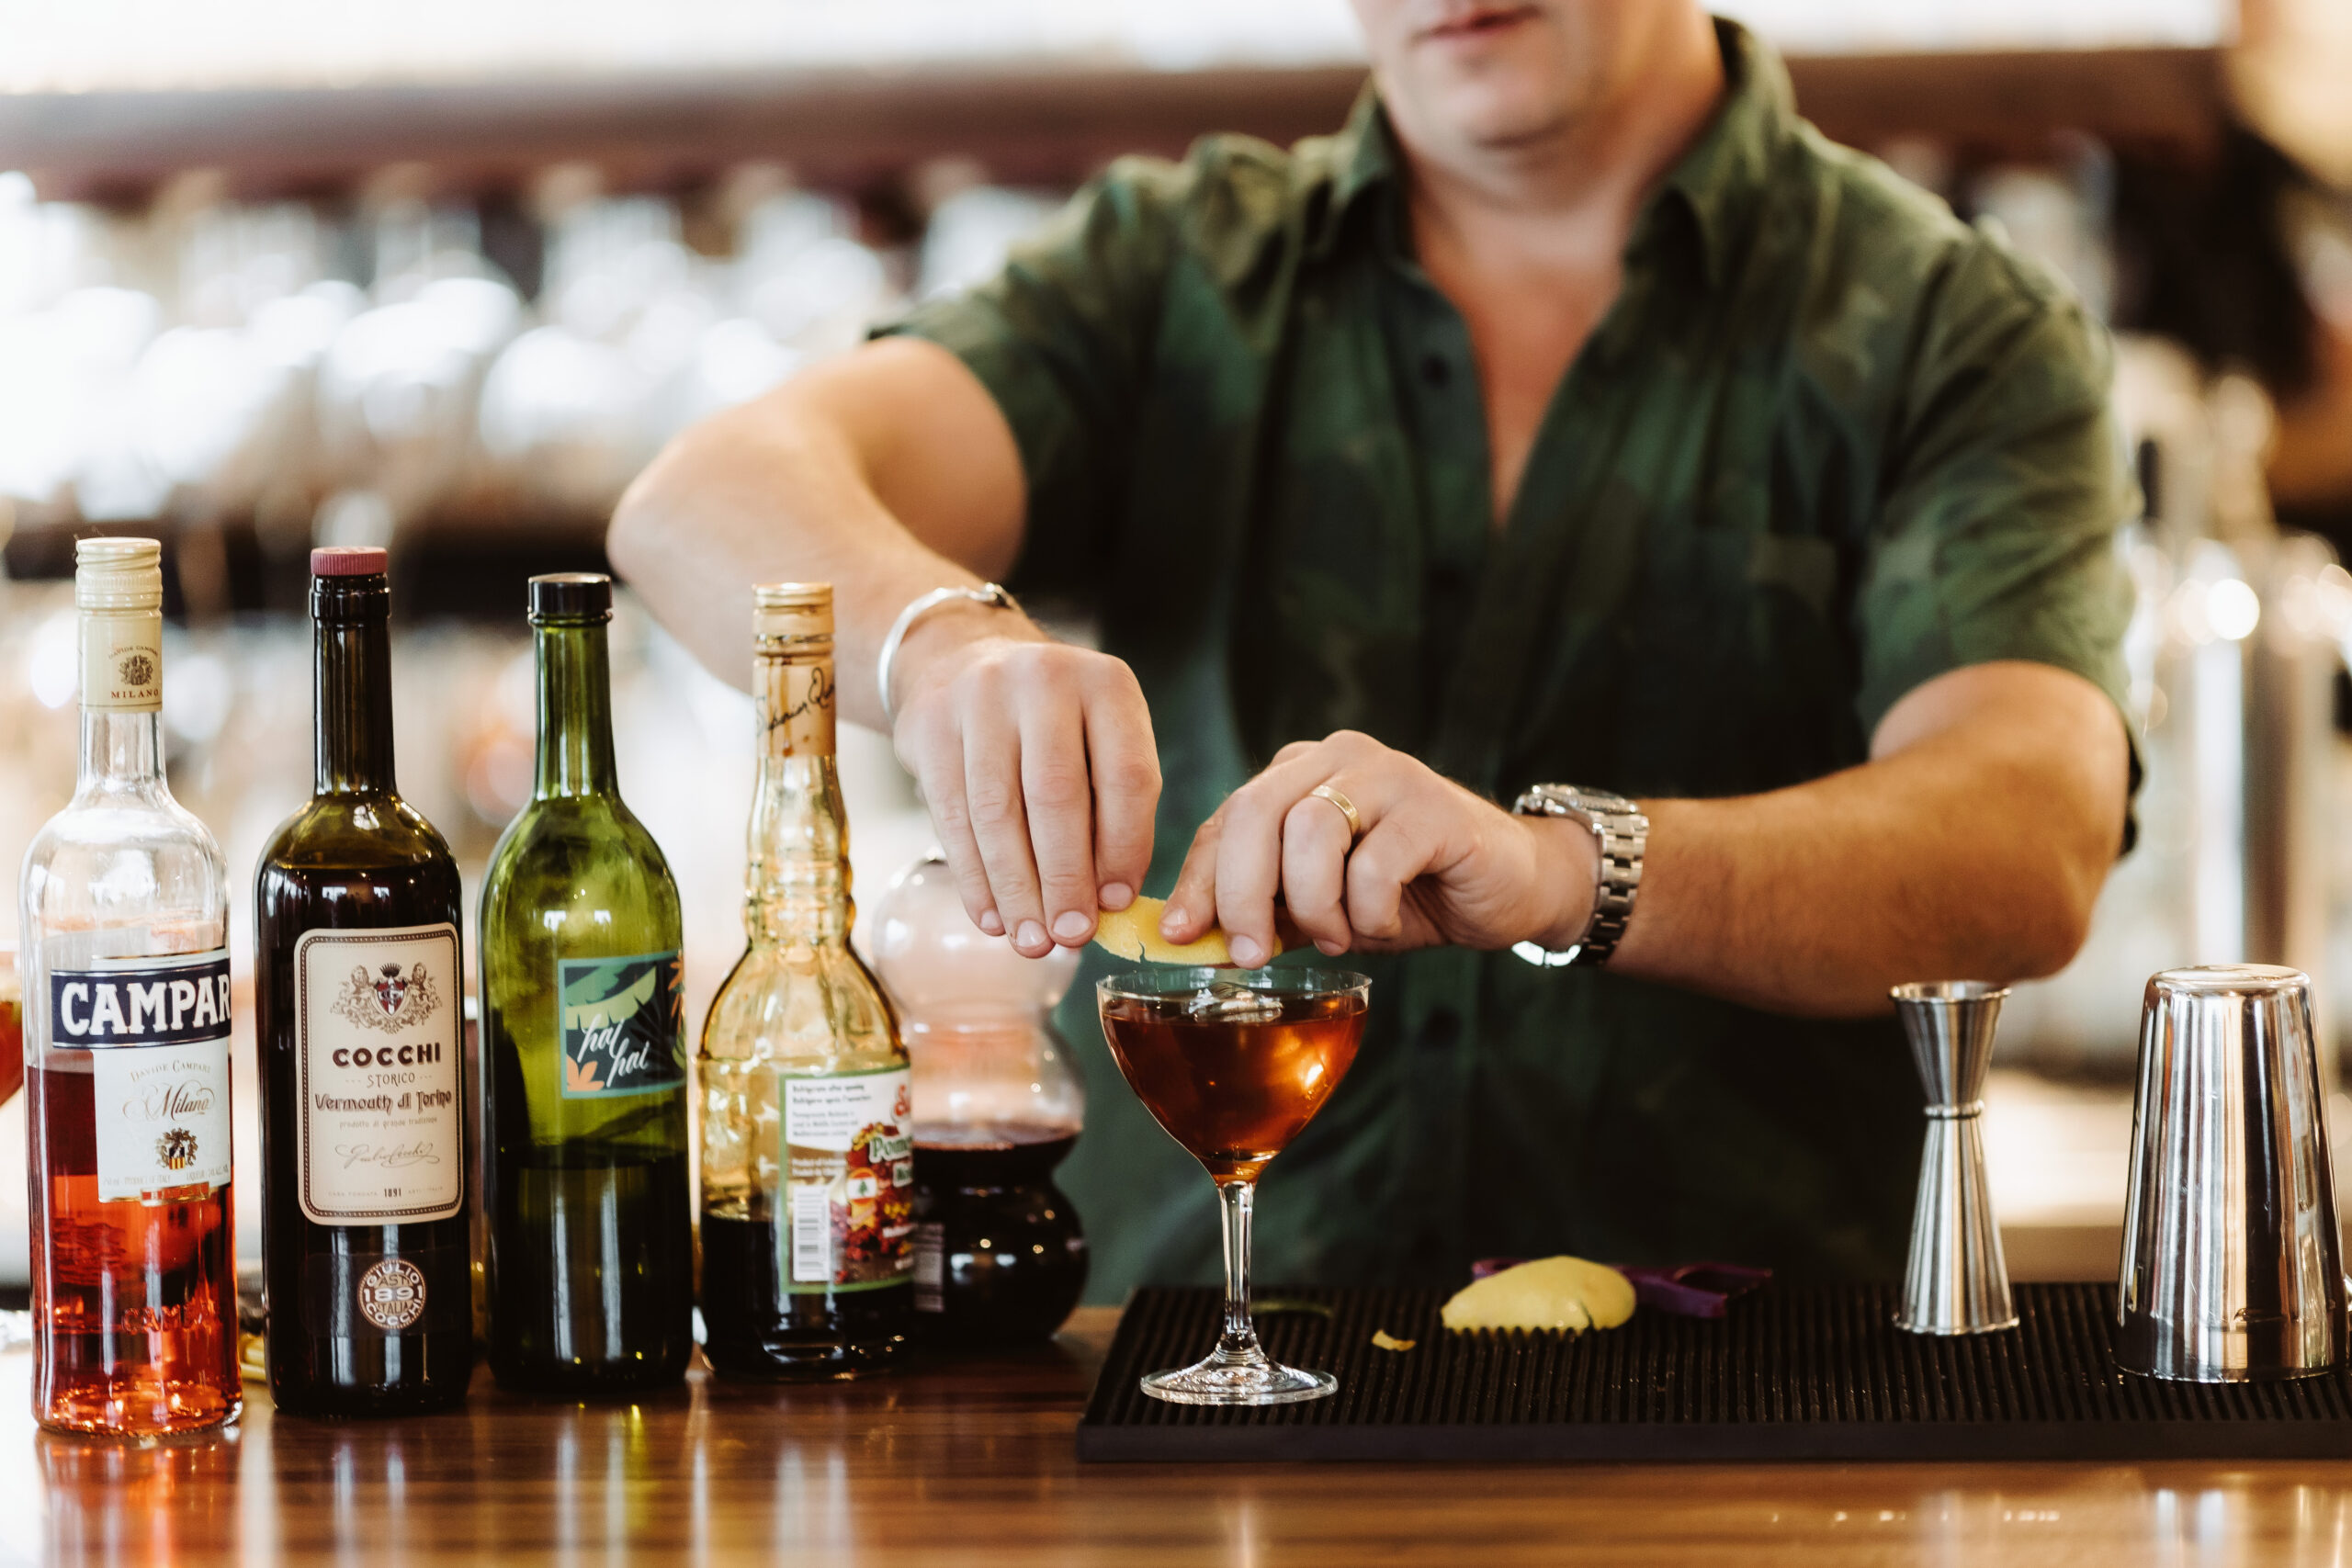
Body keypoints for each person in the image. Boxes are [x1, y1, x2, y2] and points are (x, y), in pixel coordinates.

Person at [610, 0, 2134, 1296]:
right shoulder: (1180, 272)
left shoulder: (1951, 328)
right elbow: (699, 502)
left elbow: (2027, 837)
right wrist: (936, 646)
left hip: (1739, 1414)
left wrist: (1561, 871)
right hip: (1181, 1411)